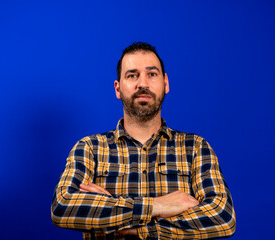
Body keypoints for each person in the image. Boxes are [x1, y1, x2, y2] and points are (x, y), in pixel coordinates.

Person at [51, 42, 236, 239]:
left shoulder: (195, 148)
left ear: (165, 84)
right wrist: (158, 205)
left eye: (152, 74)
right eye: (132, 75)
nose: (143, 84)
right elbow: (63, 206)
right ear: (118, 88)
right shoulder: (90, 148)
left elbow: (222, 217)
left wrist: (130, 225)